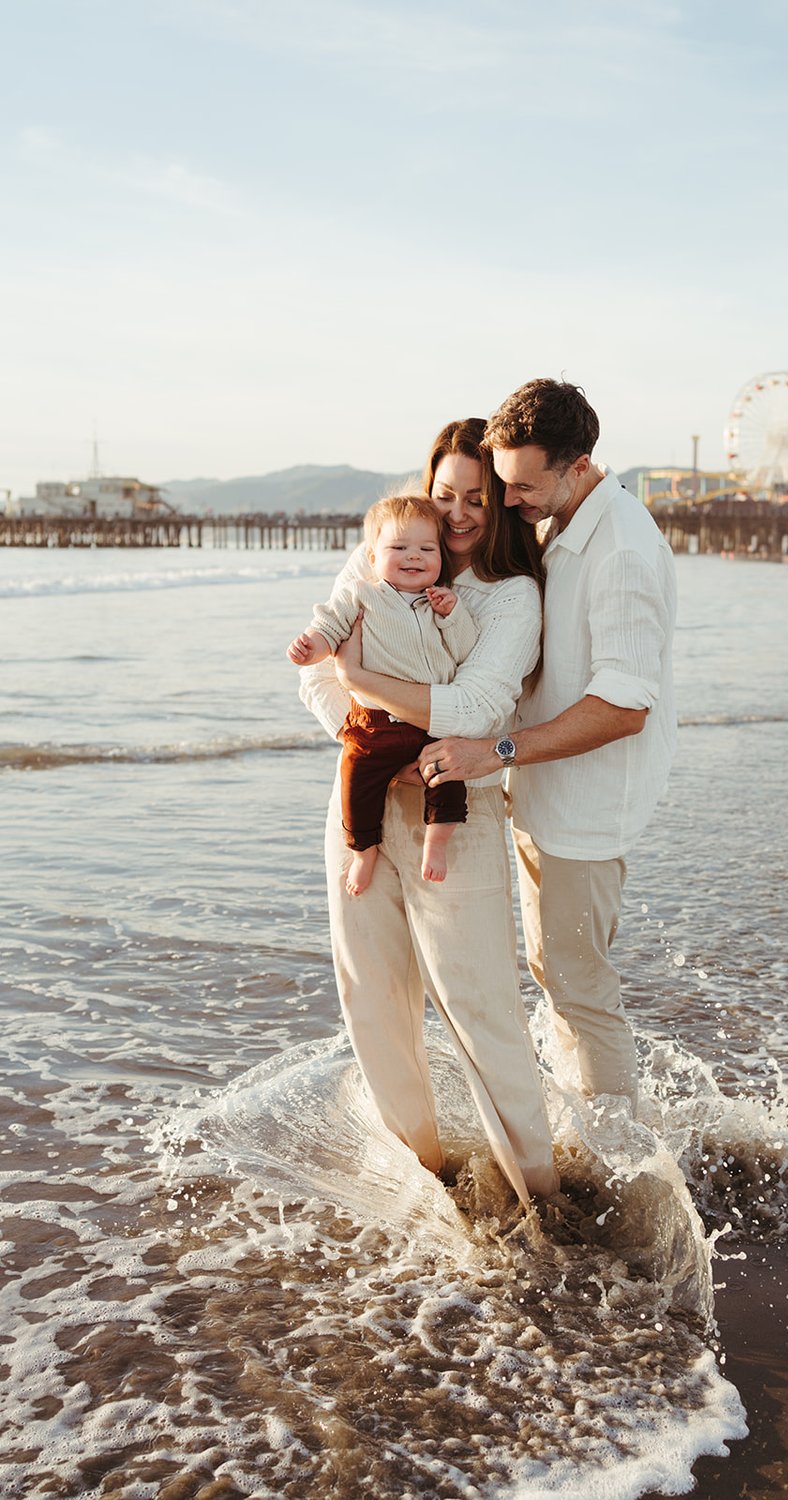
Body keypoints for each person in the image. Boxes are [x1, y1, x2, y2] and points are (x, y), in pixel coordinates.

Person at [298, 418, 559, 1205]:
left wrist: (369, 687)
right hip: (364, 804)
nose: (455, 514)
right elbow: (316, 677)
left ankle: (540, 1195)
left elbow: (478, 705)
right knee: (371, 998)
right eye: (445, 493)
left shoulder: (510, 595)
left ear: (501, 503)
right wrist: (376, 742)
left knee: (481, 1011)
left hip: (459, 820)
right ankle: (423, 1182)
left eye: (476, 498)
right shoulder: (382, 554)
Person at [419, 379, 677, 1115]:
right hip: (545, 790)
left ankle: (620, 1158)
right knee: (556, 969)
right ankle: (583, 1117)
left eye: (522, 486)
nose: (506, 501)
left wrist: (492, 750)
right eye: (501, 483)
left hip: (587, 804)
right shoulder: (562, 524)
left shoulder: (620, 548)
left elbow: (626, 706)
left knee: (579, 984)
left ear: (580, 464)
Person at [287, 494, 476, 894]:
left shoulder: (437, 603)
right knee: (357, 782)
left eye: (427, 549)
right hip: (375, 725)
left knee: (448, 779)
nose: (414, 557)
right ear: (372, 557)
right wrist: (312, 647)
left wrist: (453, 616)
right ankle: (363, 852)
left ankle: (436, 842)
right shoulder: (362, 594)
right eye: (399, 548)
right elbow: (331, 627)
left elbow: (464, 650)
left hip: (430, 720)